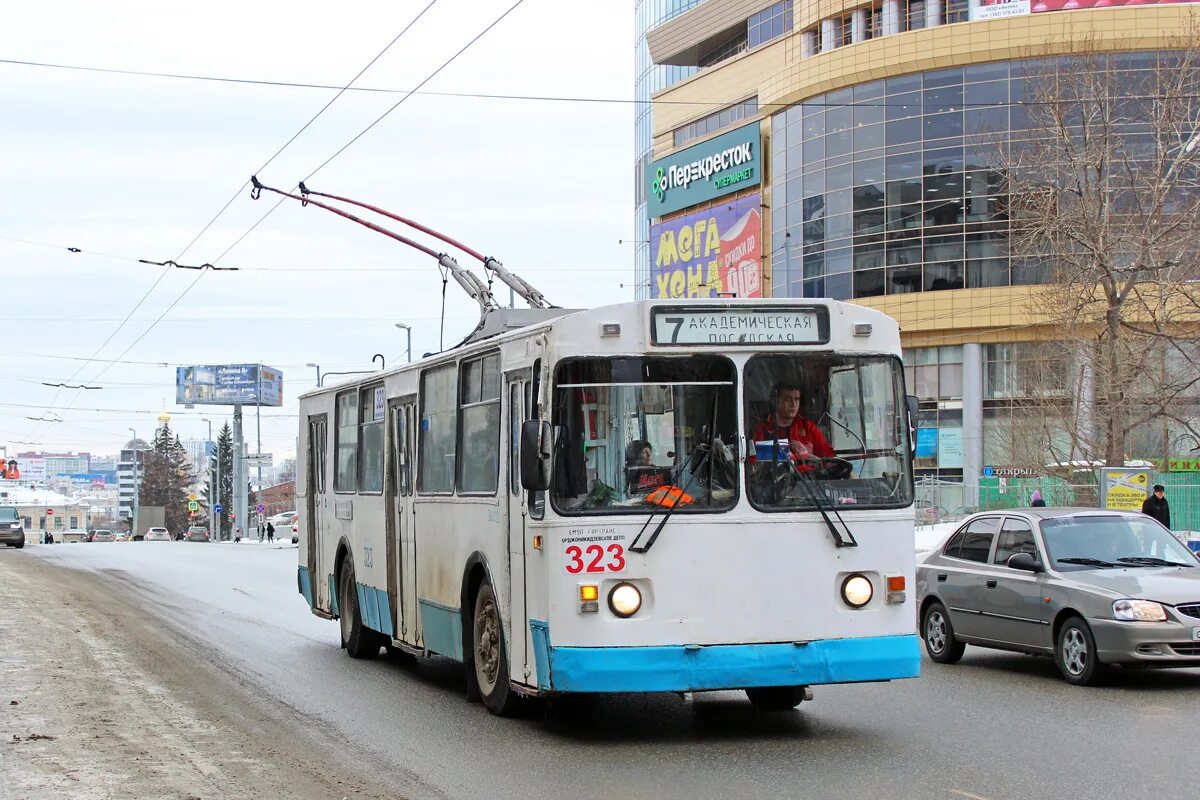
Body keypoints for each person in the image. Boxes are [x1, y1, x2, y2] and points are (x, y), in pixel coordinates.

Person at [751, 381, 836, 467]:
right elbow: (753, 466)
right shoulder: (762, 430)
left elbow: (829, 458)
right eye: (787, 399)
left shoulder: (808, 427)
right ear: (776, 402)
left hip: (812, 479)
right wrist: (798, 457)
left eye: (796, 399)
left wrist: (808, 456)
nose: (793, 404)